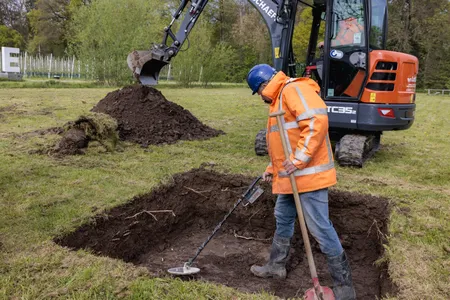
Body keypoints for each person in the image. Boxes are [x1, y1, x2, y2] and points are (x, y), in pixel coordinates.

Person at [246, 64, 356, 300]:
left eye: (259, 93)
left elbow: (316, 121)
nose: (261, 98)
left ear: (263, 86)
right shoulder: (279, 99)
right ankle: (276, 266)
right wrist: (272, 168)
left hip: (308, 176)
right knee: (283, 217)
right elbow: (284, 141)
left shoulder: (293, 90)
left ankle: (344, 287)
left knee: (320, 227)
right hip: (290, 176)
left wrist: (298, 160)